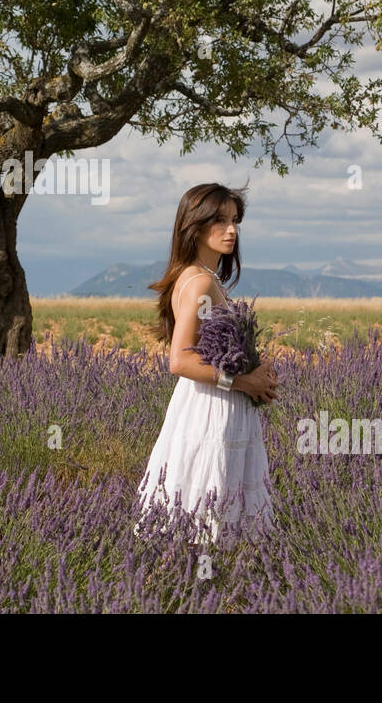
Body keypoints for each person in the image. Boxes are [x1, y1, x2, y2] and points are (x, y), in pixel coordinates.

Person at [133, 182, 278, 549]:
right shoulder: (199, 282)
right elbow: (180, 359)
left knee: (205, 516)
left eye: (234, 220)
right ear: (194, 226)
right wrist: (242, 382)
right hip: (211, 409)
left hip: (213, 404)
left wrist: (255, 370)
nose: (231, 230)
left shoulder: (204, 278)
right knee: (207, 515)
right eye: (218, 220)